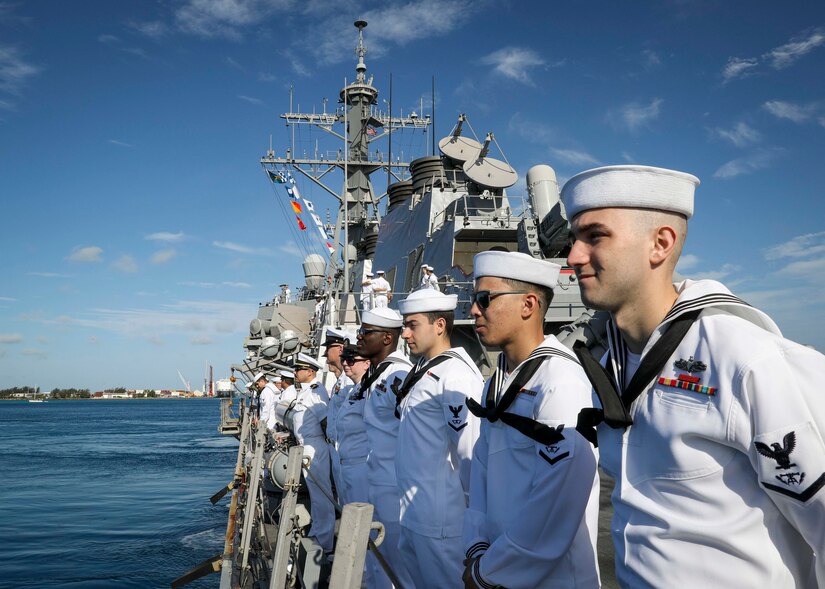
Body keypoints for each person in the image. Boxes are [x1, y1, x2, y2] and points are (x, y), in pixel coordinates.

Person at [561, 164, 825, 588]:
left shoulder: (744, 358)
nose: (573, 256)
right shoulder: (610, 359)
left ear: (659, 244)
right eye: (574, 239)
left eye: (594, 236)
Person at [462, 250, 600, 589]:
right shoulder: (496, 382)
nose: (473, 310)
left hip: (553, 578)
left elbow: (557, 503)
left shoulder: (559, 380)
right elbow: (481, 472)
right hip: (497, 566)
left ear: (528, 305)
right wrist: (478, 547)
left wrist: (489, 570)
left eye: (485, 299)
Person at [396, 289, 483, 588]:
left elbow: (470, 453)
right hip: (413, 513)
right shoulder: (423, 369)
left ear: (440, 325)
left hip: (440, 522)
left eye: (412, 325)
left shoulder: (456, 376)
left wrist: (476, 528)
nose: (405, 333)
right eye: (404, 325)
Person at [357, 307, 415, 589]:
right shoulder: (380, 375)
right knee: (382, 556)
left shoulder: (400, 376)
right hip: (376, 480)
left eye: (366, 332)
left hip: (394, 485)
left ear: (386, 339)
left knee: (399, 565)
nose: (359, 337)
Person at [288, 353, 335, 553]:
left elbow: (326, 422)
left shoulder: (317, 391)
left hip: (315, 446)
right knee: (315, 495)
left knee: (322, 495)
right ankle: (318, 530)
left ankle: (325, 541)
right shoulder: (305, 391)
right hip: (305, 445)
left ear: (310, 371)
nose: (295, 372)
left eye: (298, 369)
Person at [323, 327, 354, 504]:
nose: (326, 352)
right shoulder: (341, 380)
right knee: (343, 499)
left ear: (340, 349)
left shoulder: (349, 380)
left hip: (347, 450)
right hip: (337, 449)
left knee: (351, 501)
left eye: (329, 347)